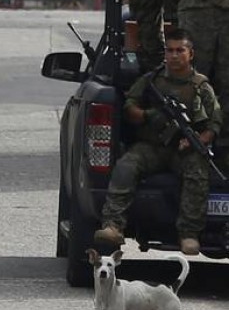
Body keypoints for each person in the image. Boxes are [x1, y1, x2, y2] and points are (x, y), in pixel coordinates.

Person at [93, 28, 220, 256]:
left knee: (197, 168)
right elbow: (129, 105)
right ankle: (112, 225)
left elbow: (214, 125)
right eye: (169, 50)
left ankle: (189, 233)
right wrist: (148, 116)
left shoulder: (201, 86)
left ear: (191, 54)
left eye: (180, 50)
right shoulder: (152, 80)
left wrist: (196, 141)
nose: (174, 55)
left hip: (182, 149)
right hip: (152, 147)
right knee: (127, 165)